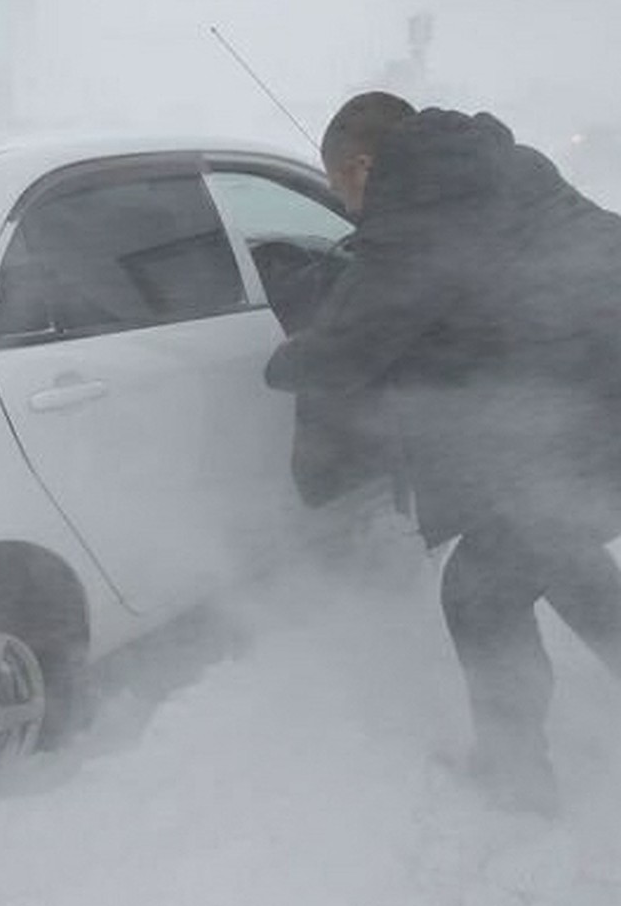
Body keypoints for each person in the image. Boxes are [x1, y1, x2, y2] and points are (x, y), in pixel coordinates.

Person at [264, 91, 621, 815]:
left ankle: (514, 777)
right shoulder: (504, 169)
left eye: (339, 187)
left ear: (363, 164)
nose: (347, 206)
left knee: (481, 596)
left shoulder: (418, 222)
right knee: (563, 557)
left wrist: (281, 363)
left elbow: (347, 351)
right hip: (593, 411)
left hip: (587, 427)